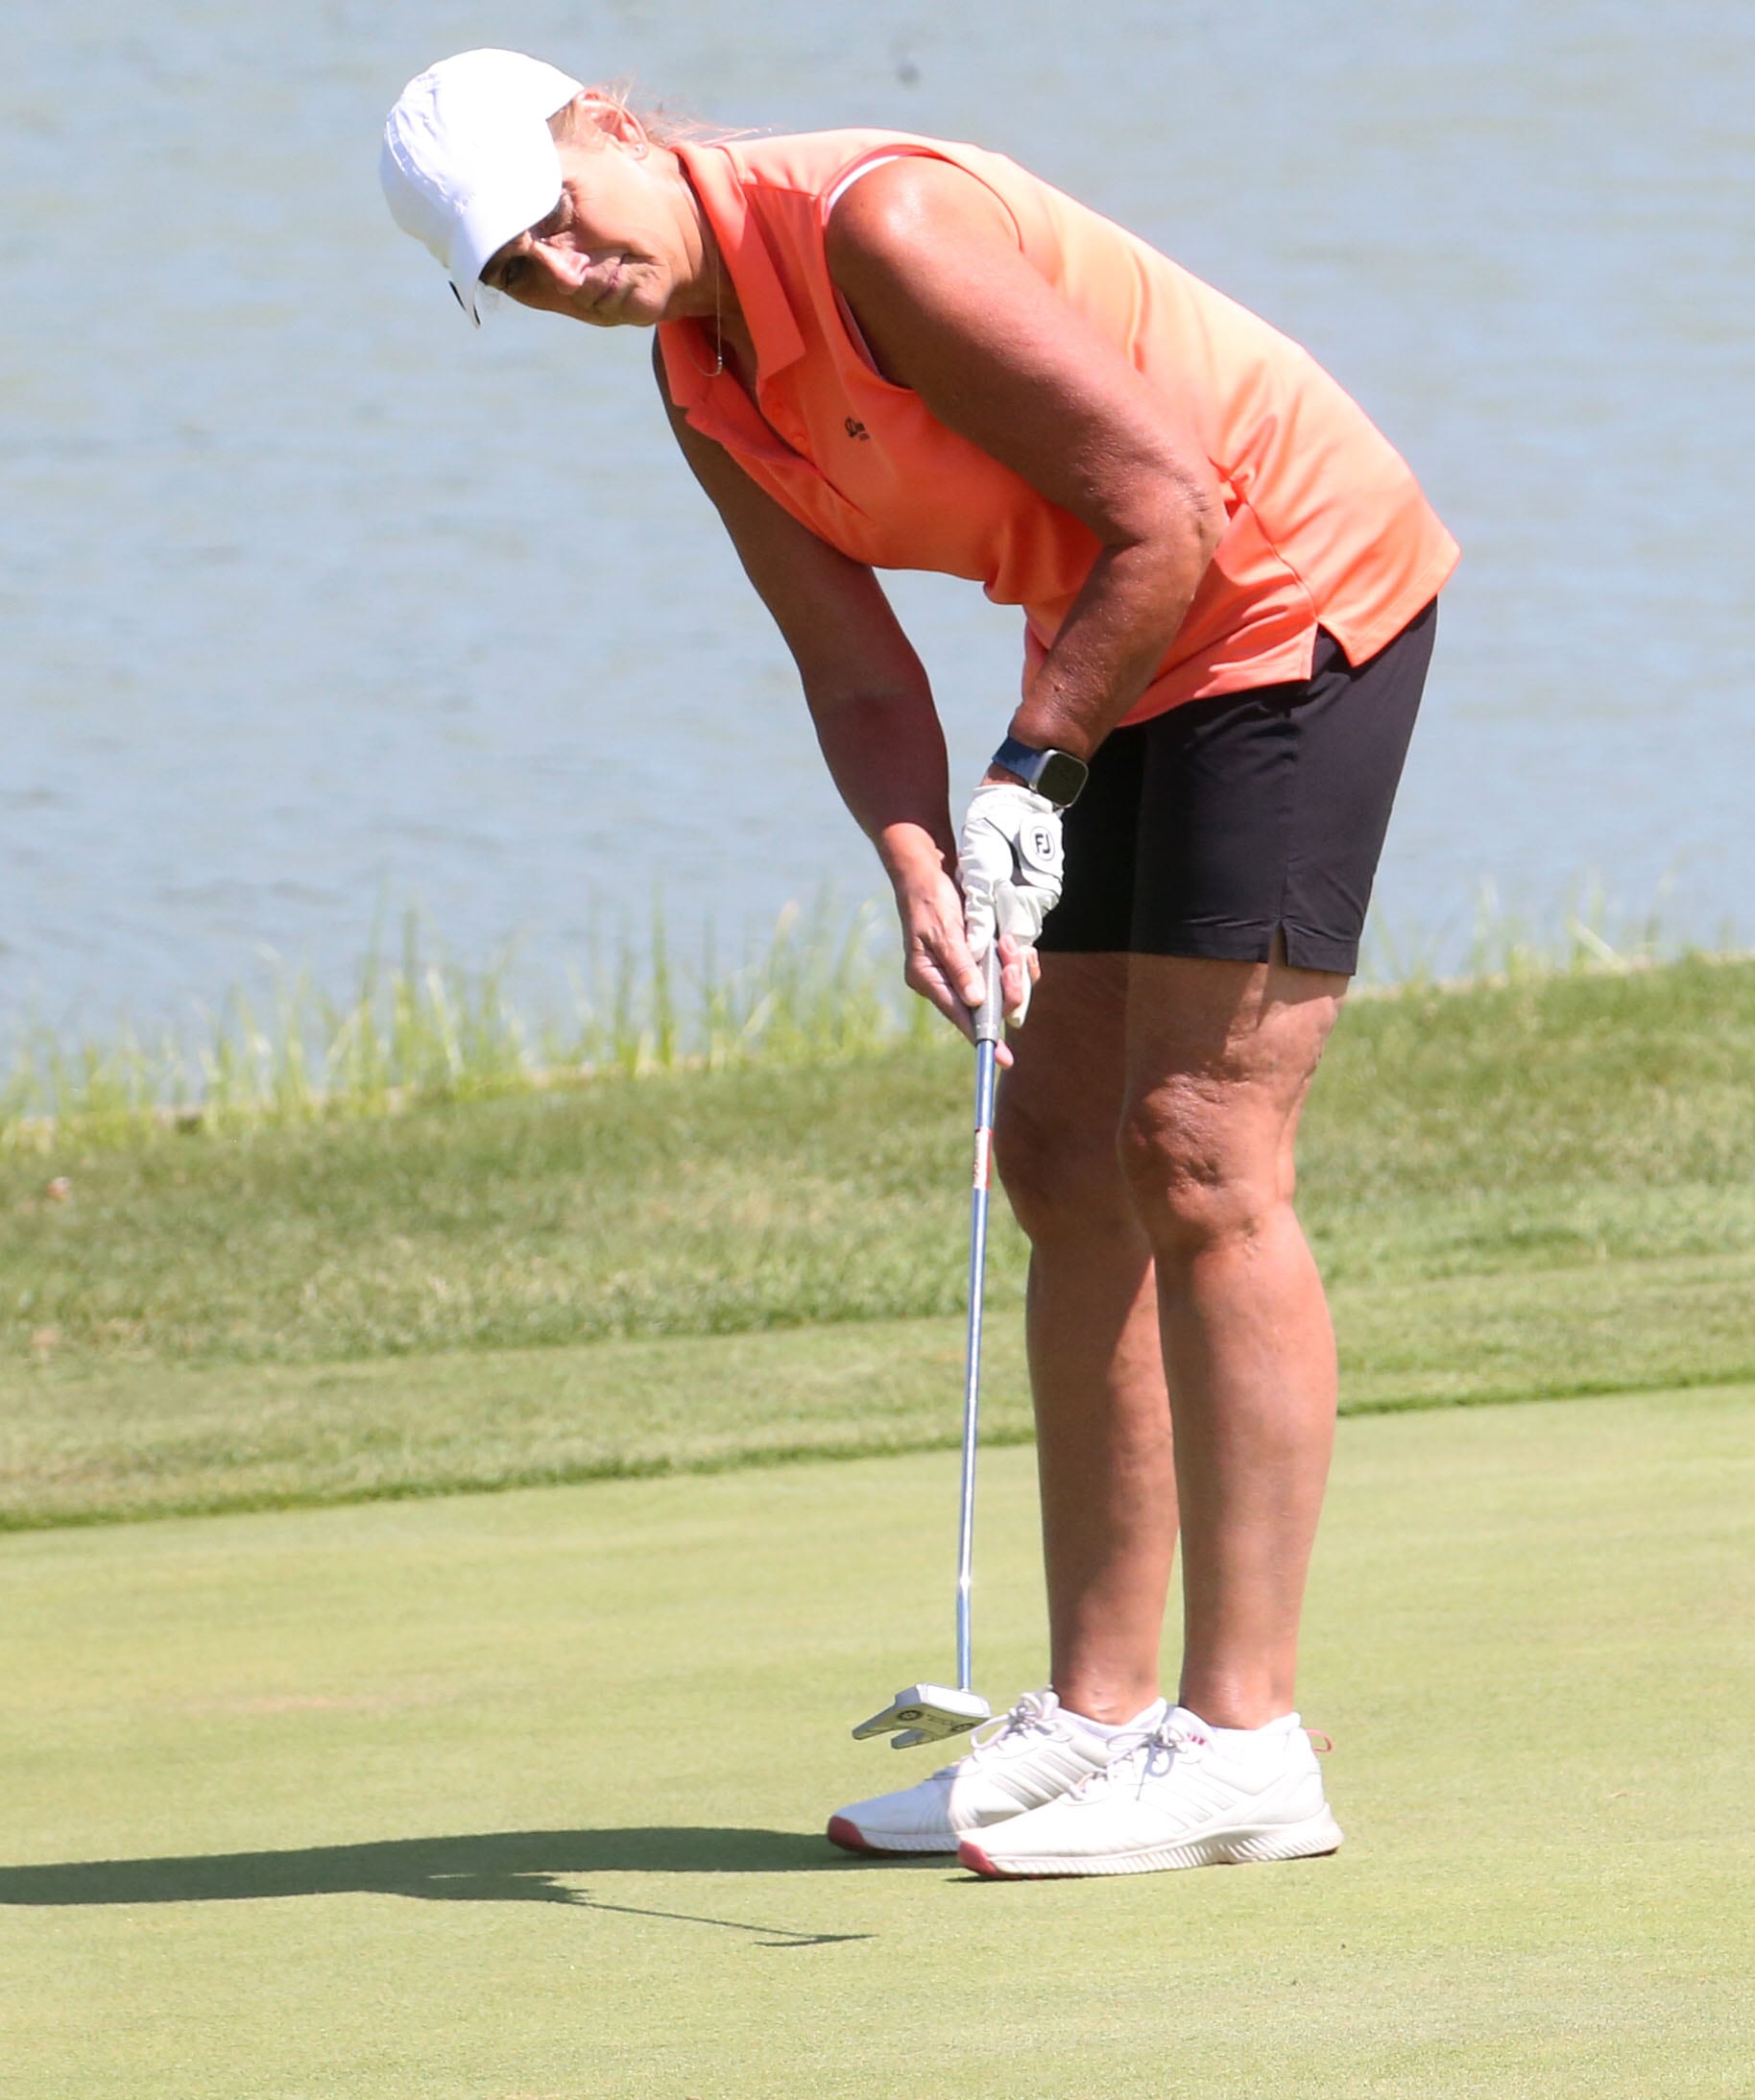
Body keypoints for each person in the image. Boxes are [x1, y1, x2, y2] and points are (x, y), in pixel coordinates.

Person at [380, 51, 1456, 1878]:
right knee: (1055, 1156)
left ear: (618, 123)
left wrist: (1030, 768)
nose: (568, 264)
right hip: (1117, 638)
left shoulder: (876, 222)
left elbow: (1171, 506)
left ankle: (1246, 1747)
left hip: (1281, 602)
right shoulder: (699, 381)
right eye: (517, 270)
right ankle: (1098, 1721)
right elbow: (857, 672)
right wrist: (925, 861)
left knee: (1198, 1152)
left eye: (562, 209)